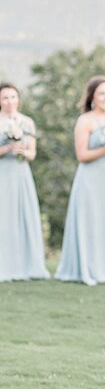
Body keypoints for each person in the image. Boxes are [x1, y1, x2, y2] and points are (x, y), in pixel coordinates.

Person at [56, 76, 105, 286]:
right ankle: (89, 269)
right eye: (102, 94)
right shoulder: (86, 121)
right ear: (92, 97)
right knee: (91, 221)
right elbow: (82, 156)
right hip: (90, 179)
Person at [0, 82, 49, 281]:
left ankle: (26, 264)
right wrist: (7, 148)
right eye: (5, 97)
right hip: (3, 173)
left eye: (13, 97)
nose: (10, 101)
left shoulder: (27, 122)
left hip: (21, 174)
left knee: (22, 216)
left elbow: (32, 153)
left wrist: (24, 152)